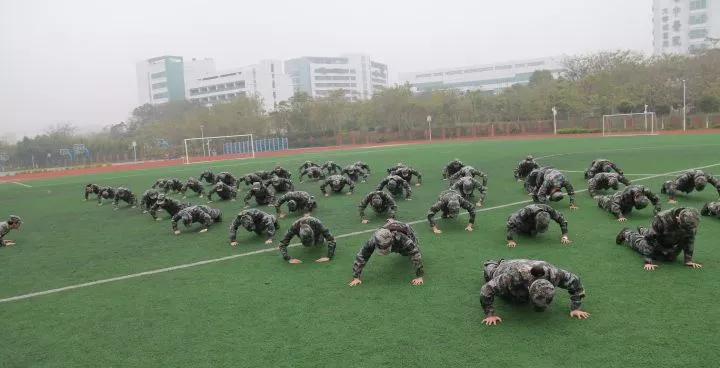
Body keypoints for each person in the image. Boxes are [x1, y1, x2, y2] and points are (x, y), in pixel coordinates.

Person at [480, 259, 589, 326]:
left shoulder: (555, 274)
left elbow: (576, 283)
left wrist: (576, 308)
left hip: (529, 263)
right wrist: (490, 314)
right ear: (529, 289)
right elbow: (487, 289)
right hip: (507, 267)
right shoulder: (513, 277)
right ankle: (493, 263)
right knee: (491, 273)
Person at [615, 207, 702, 271]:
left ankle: (643, 230)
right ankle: (626, 233)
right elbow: (649, 239)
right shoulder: (662, 218)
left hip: (668, 239)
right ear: (677, 219)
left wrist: (688, 260)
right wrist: (648, 260)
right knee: (643, 244)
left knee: (670, 258)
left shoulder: (691, 221)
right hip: (656, 239)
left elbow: (689, 239)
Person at [349, 220, 424, 287]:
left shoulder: (401, 238)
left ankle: (394, 224)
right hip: (390, 229)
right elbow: (362, 256)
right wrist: (356, 277)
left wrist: (419, 276)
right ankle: (392, 222)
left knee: (408, 253)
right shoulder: (374, 240)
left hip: (407, 230)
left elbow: (415, 254)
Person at [505, 204, 571, 247]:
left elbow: (562, 219)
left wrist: (564, 236)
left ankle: (531, 228)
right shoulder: (527, 211)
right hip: (525, 219)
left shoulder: (549, 210)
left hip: (532, 220)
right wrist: (510, 240)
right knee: (520, 229)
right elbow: (512, 221)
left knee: (533, 233)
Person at [596, 185, 661, 221]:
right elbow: (614, 204)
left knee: (627, 211)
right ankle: (601, 198)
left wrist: (657, 211)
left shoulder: (646, 191)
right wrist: (620, 216)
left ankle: (608, 197)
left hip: (629, 201)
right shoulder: (625, 196)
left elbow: (656, 199)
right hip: (619, 198)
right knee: (609, 206)